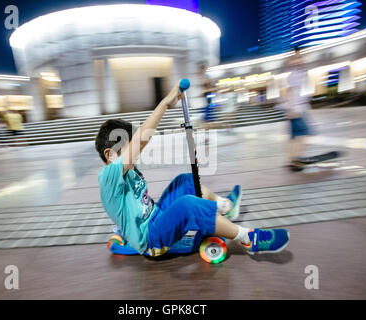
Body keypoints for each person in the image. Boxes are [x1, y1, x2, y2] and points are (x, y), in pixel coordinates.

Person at [96, 80, 290, 257]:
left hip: (157, 215)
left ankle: (225, 208)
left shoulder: (126, 171)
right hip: (150, 239)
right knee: (188, 205)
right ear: (109, 154)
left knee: (184, 181)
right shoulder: (108, 176)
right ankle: (248, 238)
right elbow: (142, 140)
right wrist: (164, 103)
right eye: (128, 147)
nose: (134, 152)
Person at [279, 47, 312, 168]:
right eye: (295, 58)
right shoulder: (294, 75)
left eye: (300, 57)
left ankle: (292, 159)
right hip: (297, 110)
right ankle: (296, 159)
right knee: (303, 134)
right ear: (290, 61)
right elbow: (288, 92)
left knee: (294, 136)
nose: (299, 60)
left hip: (296, 109)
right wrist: (292, 110)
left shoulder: (298, 74)